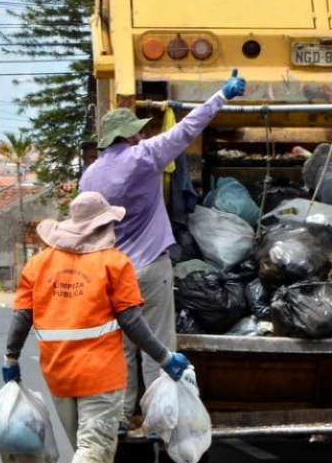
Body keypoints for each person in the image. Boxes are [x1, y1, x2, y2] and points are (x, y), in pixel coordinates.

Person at [1, 191, 193, 463]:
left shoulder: (38, 265)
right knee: (95, 448)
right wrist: (165, 357)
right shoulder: (113, 263)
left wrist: (10, 360)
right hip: (101, 376)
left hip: (58, 375)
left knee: (89, 452)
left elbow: (20, 318)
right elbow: (133, 322)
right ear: (103, 225)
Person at [79, 68, 246, 433]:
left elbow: (85, 226)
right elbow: (187, 129)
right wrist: (222, 95)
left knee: (122, 349)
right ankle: (158, 420)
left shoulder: (89, 176)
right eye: (139, 129)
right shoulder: (145, 156)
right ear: (129, 135)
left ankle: (123, 418)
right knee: (157, 347)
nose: (144, 132)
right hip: (150, 269)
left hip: (110, 273)